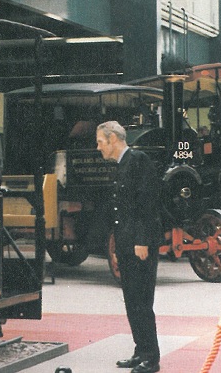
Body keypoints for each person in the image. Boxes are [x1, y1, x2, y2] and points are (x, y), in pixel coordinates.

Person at [97, 121, 162, 373]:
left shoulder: (138, 160)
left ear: (113, 138)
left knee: (142, 301)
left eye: (100, 141)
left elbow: (148, 202)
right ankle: (140, 350)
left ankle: (151, 358)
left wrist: (142, 241)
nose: (98, 147)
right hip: (126, 244)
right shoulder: (122, 164)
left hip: (139, 245)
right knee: (132, 300)